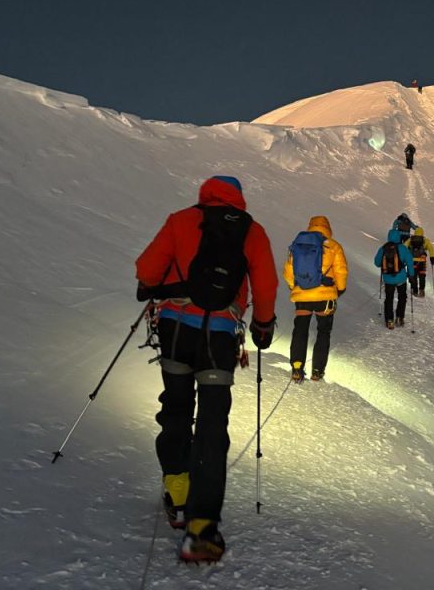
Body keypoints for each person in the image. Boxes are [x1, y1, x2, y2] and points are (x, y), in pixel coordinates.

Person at [135, 175, 278, 564]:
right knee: (213, 423)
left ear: (206, 192)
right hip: (219, 336)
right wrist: (263, 325)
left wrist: (155, 285)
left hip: (175, 330)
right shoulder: (251, 231)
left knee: (176, 407)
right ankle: (202, 527)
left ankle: (178, 493)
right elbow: (266, 285)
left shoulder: (181, 220)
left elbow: (147, 269)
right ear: (238, 198)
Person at [283, 216, 348, 382]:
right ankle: (317, 370)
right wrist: (339, 289)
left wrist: (294, 286)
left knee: (300, 329)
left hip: (302, 295)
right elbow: (341, 271)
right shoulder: (333, 246)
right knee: (323, 332)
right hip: (325, 297)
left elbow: (289, 270)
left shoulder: (299, 243)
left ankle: (297, 366)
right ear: (328, 228)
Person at [374, 228, 415, 329]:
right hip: (401, 278)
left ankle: (389, 320)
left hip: (388, 279)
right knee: (402, 297)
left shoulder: (383, 248)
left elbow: (377, 263)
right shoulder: (403, 248)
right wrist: (411, 275)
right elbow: (410, 262)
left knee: (389, 298)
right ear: (399, 237)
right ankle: (400, 317)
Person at [406, 226, 434, 297]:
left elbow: (404, 246)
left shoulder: (411, 239)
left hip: (412, 261)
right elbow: (431, 248)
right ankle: (422, 290)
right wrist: (432, 258)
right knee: (422, 275)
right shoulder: (425, 240)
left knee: (413, 275)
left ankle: (415, 291)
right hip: (422, 262)